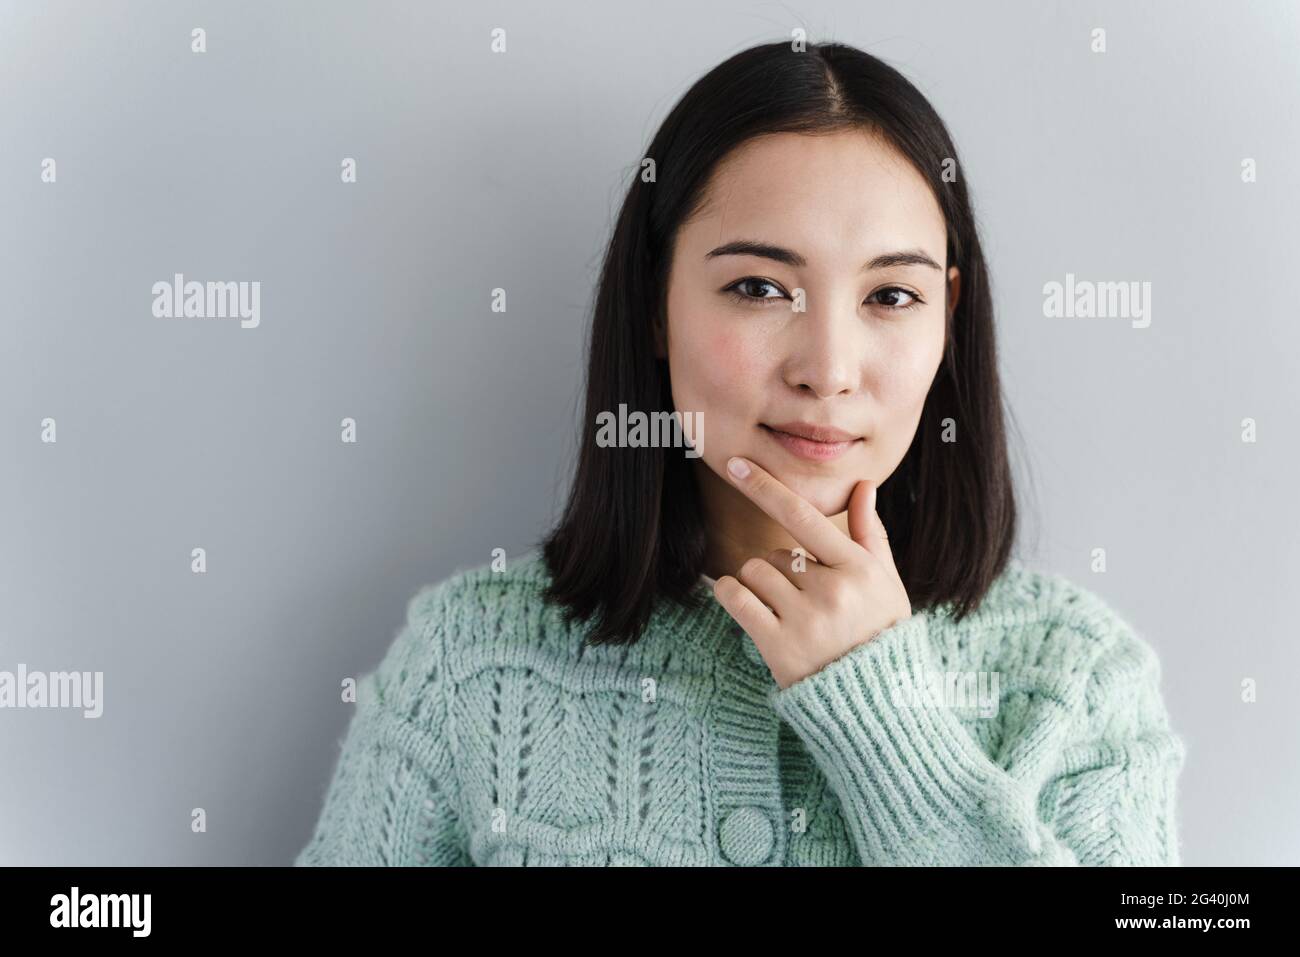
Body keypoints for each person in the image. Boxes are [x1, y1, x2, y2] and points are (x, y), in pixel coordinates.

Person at [294, 39, 1185, 867]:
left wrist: (886, 721)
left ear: (948, 315)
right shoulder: (467, 660)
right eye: (759, 287)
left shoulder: (1078, 681)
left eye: (891, 295)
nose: (828, 369)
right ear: (655, 304)